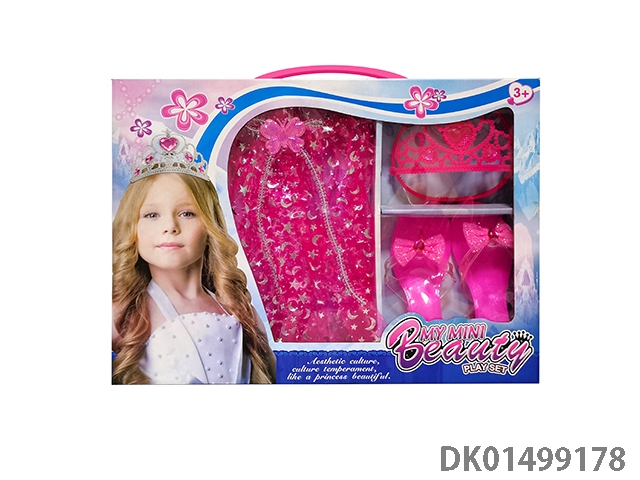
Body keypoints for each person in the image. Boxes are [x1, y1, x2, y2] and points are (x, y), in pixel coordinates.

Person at [112, 130, 276, 384]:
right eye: (152, 215)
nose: (170, 227)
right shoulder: (125, 315)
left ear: (210, 225)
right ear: (132, 227)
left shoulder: (241, 311)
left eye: (187, 213)